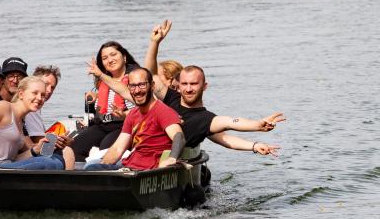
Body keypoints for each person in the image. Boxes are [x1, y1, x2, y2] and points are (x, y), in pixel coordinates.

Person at [91, 20, 285, 155]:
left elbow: (230, 124)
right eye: (184, 84)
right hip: (140, 151)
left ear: (204, 86)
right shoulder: (170, 98)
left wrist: (257, 129)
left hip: (166, 160)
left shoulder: (205, 119)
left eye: (194, 84)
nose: (188, 89)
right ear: (179, 85)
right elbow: (151, 74)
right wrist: (154, 43)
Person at [84, 68, 186, 170]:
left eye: (142, 85)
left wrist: (172, 159)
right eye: (133, 86)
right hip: (129, 166)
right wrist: (102, 164)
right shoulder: (133, 114)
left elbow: (179, 136)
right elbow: (118, 148)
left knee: (92, 168)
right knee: (91, 166)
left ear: (152, 86)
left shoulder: (163, 111)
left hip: (148, 171)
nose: (137, 91)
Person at [70, 41, 140, 162]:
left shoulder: (136, 78)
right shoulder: (102, 81)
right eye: (105, 58)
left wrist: (124, 114)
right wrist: (94, 100)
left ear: (124, 57)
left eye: (113, 55)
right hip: (102, 125)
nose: (110, 60)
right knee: (74, 148)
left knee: (106, 150)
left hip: (125, 125)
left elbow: (143, 108)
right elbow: (101, 108)